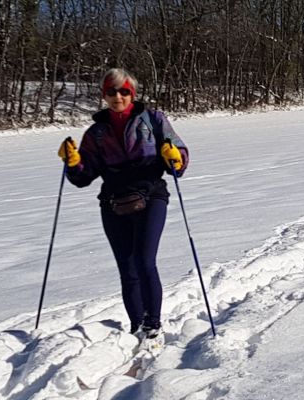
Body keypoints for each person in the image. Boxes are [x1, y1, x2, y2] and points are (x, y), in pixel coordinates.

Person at [56, 68, 189, 342]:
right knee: (127, 268)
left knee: (144, 261)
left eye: (124, 91)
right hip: (113, 203)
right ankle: (135, 325)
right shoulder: (97, 132)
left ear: (133, 94)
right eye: (111, 91)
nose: (118, 96)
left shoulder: (153, 119)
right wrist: (73, 164)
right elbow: (84, 176)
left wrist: (175, 157)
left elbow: (178, 156)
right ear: (103, 95)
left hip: (151, 195)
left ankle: (152, 325)